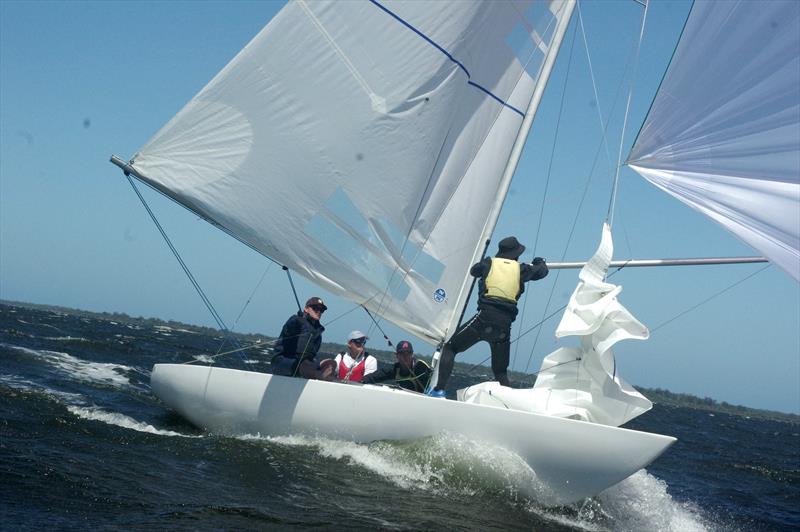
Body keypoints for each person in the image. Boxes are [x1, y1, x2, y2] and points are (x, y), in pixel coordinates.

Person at [429, 236, 548, 397]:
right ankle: (508, 404)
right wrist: (539, 262)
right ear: (516, 254)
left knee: (451, 348)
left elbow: (474, 271)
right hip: (504, 328)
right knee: (500, 371)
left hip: (483, 319)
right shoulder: (521, 269)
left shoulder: (488, 263)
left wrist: (485, 263)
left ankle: (439, 390)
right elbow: (542, 272)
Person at [271, 297, 336, 380]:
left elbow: (311, 355)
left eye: (321, 310)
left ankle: (322, 372)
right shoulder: (296, 321)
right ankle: (319, 374)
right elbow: (288, 328)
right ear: (306, 309)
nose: (319, 312)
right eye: (315, 308)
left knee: (311, 363)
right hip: (281, 362)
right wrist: (297, 320)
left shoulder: (318, 334)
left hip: (303, 364)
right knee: (303, 365)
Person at [362, 340, 432, 393]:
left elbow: (432, 385)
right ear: (397, 355)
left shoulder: (421, 367)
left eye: (408, 353)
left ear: (412, 354)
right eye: (402, 353)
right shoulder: (395, 369)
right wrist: (361, 381)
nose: (405, 356)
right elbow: (376, 376)